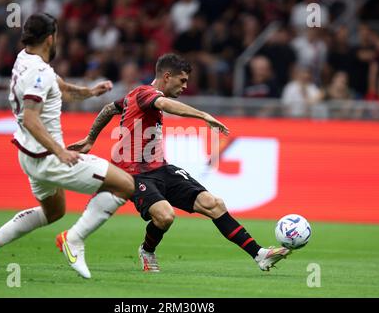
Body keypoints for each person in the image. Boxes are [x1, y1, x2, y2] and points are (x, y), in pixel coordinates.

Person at [67, 53, 291, 272]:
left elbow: (108, 109)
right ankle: (147, 251)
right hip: (134, 174)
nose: (185, 86)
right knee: (165, 216)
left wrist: (90, 139)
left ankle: (259, 254)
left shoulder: (135, 96)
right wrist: (203, 115)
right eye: (182, 80)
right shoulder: (146, 93)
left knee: (214, 204)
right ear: (167, 76)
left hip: (161, 168)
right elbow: (165, 104)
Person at [0, 13, 135, 279]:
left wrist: (90, 92)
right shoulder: (39, 72)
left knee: (55, 211)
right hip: (49, 158)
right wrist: (60, 152)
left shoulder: (25, 59)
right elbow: (30, 116)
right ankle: (74, 240)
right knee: (125, 184)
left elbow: (59, 88)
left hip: (27, 155)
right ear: (50, 38)